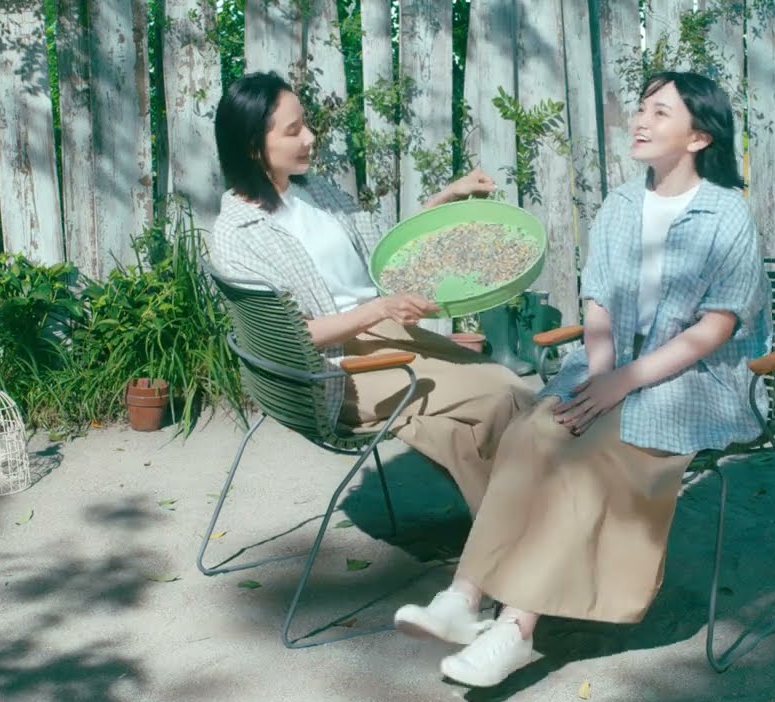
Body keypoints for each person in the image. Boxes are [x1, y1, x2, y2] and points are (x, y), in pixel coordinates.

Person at [392, 70, 772, 688]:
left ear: (699, 137)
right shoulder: (621, 204)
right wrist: (599, 376)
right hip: (609, 366)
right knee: (531, 432)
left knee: (587, 452)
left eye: (660, 112)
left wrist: (621, 385)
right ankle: (464, 597)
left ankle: (515, 629)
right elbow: (597, 303)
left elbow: (715, 329)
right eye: (642, 108)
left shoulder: (726, 214)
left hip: (693, 380)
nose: (641, 121)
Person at [207, 71, 535, 514]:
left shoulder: (314, 191)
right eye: (293, 130)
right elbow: (294, 337)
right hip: (335, 370)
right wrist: (378, 309)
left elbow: (387, 252)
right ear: (252, 147)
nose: (310, 137)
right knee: (504, 393)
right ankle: (521, 529)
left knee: (468, 422)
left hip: (384, 336)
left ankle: (511, 530)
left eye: (305, 124)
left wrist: (446, 197)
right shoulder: (238, 234)